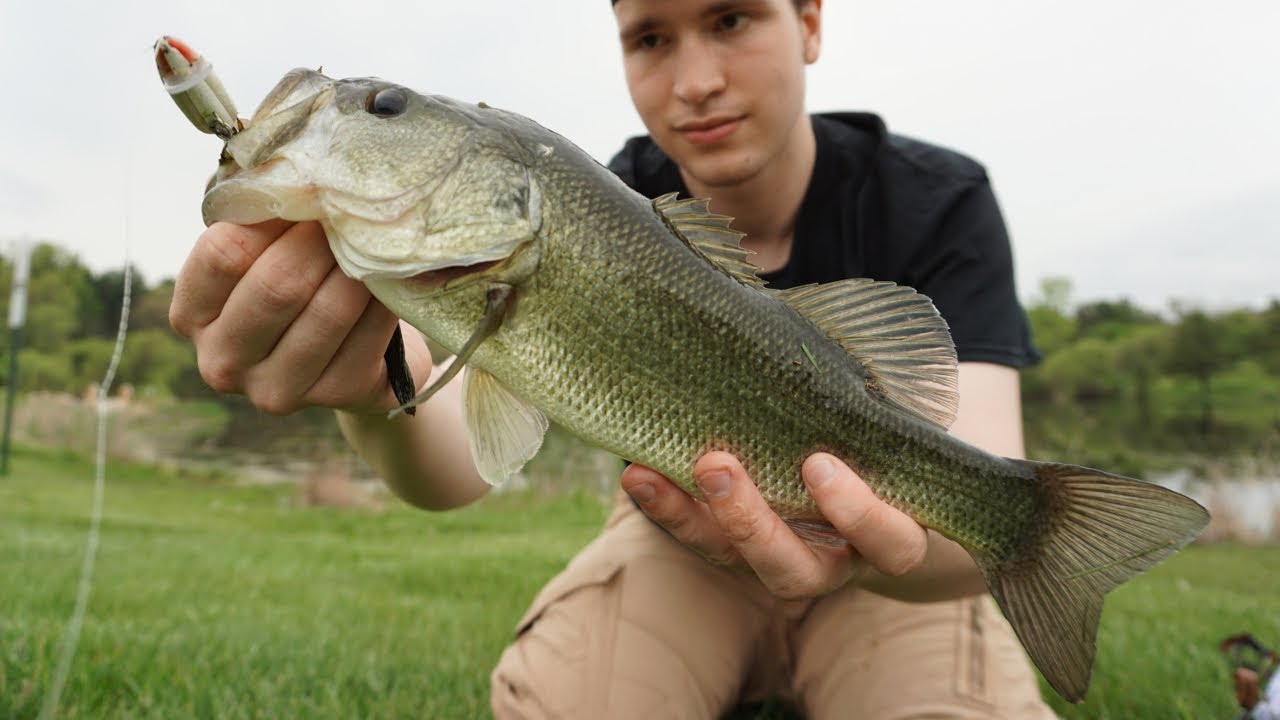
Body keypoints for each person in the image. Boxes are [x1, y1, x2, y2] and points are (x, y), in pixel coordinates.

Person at [170, 0, 1057, 716]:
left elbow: (980, 500)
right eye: (650, 38)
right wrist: (371, 391)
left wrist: (879, 544)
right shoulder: (604, 194)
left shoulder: (941, 201)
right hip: (684, 545)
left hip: (900, 582)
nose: (696, 79)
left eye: (733, 19)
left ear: (811, 21)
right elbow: (460, 468)